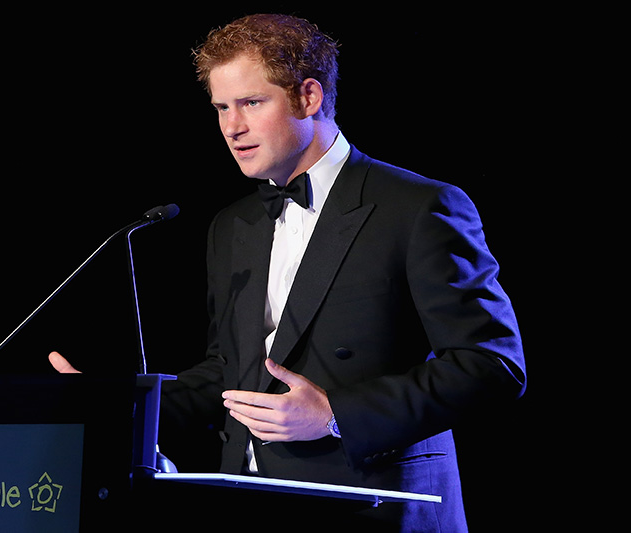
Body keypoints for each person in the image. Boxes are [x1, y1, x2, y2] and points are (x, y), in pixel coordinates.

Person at [50, 13, 525, 530]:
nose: (232, 127)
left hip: (374, 506)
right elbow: (230, 373)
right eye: (221, 108)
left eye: (252, 103)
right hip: (250, 503)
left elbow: (491, 365)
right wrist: (120, 406)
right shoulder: (234, 224)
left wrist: (335, 415)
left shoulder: (417, 207)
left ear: (309, 97)